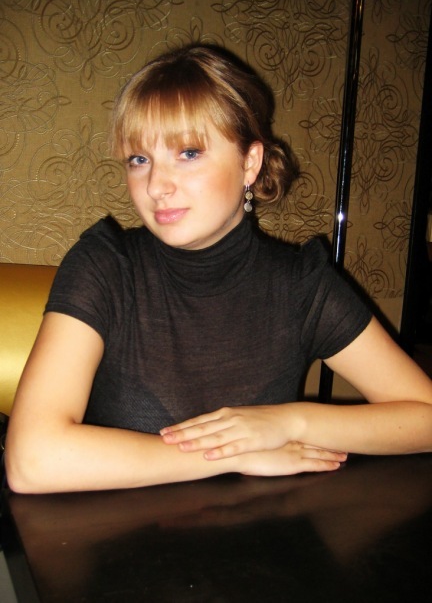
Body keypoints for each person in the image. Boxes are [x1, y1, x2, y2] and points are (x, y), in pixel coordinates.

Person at [5, 45, 432, 494]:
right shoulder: (105, 266)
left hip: (261, 536)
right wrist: (231, 454)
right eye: (139, 159)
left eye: (188, 152)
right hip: (113, 535)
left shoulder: (299, 285)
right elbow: (32, 460)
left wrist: (289, 422)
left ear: (250, 163)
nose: (156, 185)